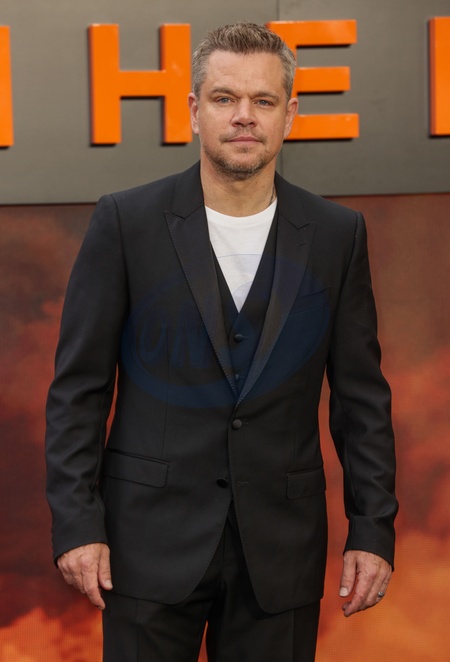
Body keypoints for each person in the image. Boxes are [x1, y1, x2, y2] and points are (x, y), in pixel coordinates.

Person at [46, 22, 398, 662]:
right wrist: (76, 523)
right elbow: (79, 390)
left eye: (263, 100)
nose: (244, 116)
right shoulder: (126, 221)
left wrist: (372, 529)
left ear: (290, 114)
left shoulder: (336, 233)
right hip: (145, 546)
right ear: (193, 110)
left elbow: (361, 401)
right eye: (224, 98)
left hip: (281, 551)